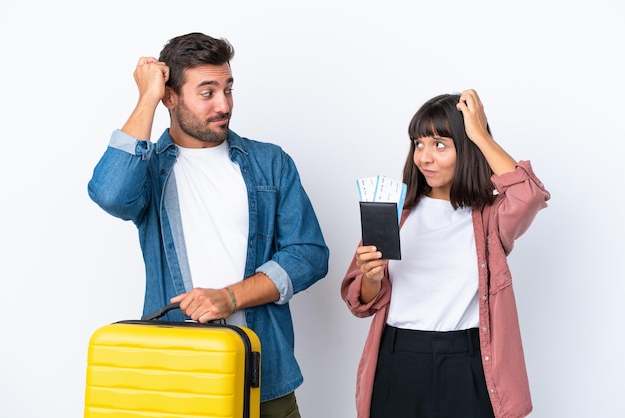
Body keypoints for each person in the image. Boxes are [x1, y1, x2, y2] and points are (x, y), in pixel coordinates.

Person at [88, 32, 329, 417]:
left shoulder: (271, 163)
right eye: (207, 92)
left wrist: (229, 297)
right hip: (179, 378)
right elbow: (110, 193)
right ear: (171, 97)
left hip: (265, 376)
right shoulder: (149, 171)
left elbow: (310, 254)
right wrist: (147, 97)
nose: (224, 104)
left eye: (228, 89)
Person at [341, 89, 550, 418]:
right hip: (398, 359)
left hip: (466, 363)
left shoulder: (489, 219)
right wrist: (372, 277)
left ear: (466, 149)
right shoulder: (393, 213)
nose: (424, 157)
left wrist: (478, 133)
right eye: (418, 144)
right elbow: (361, 303)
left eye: (440, 144)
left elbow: (528, 195)